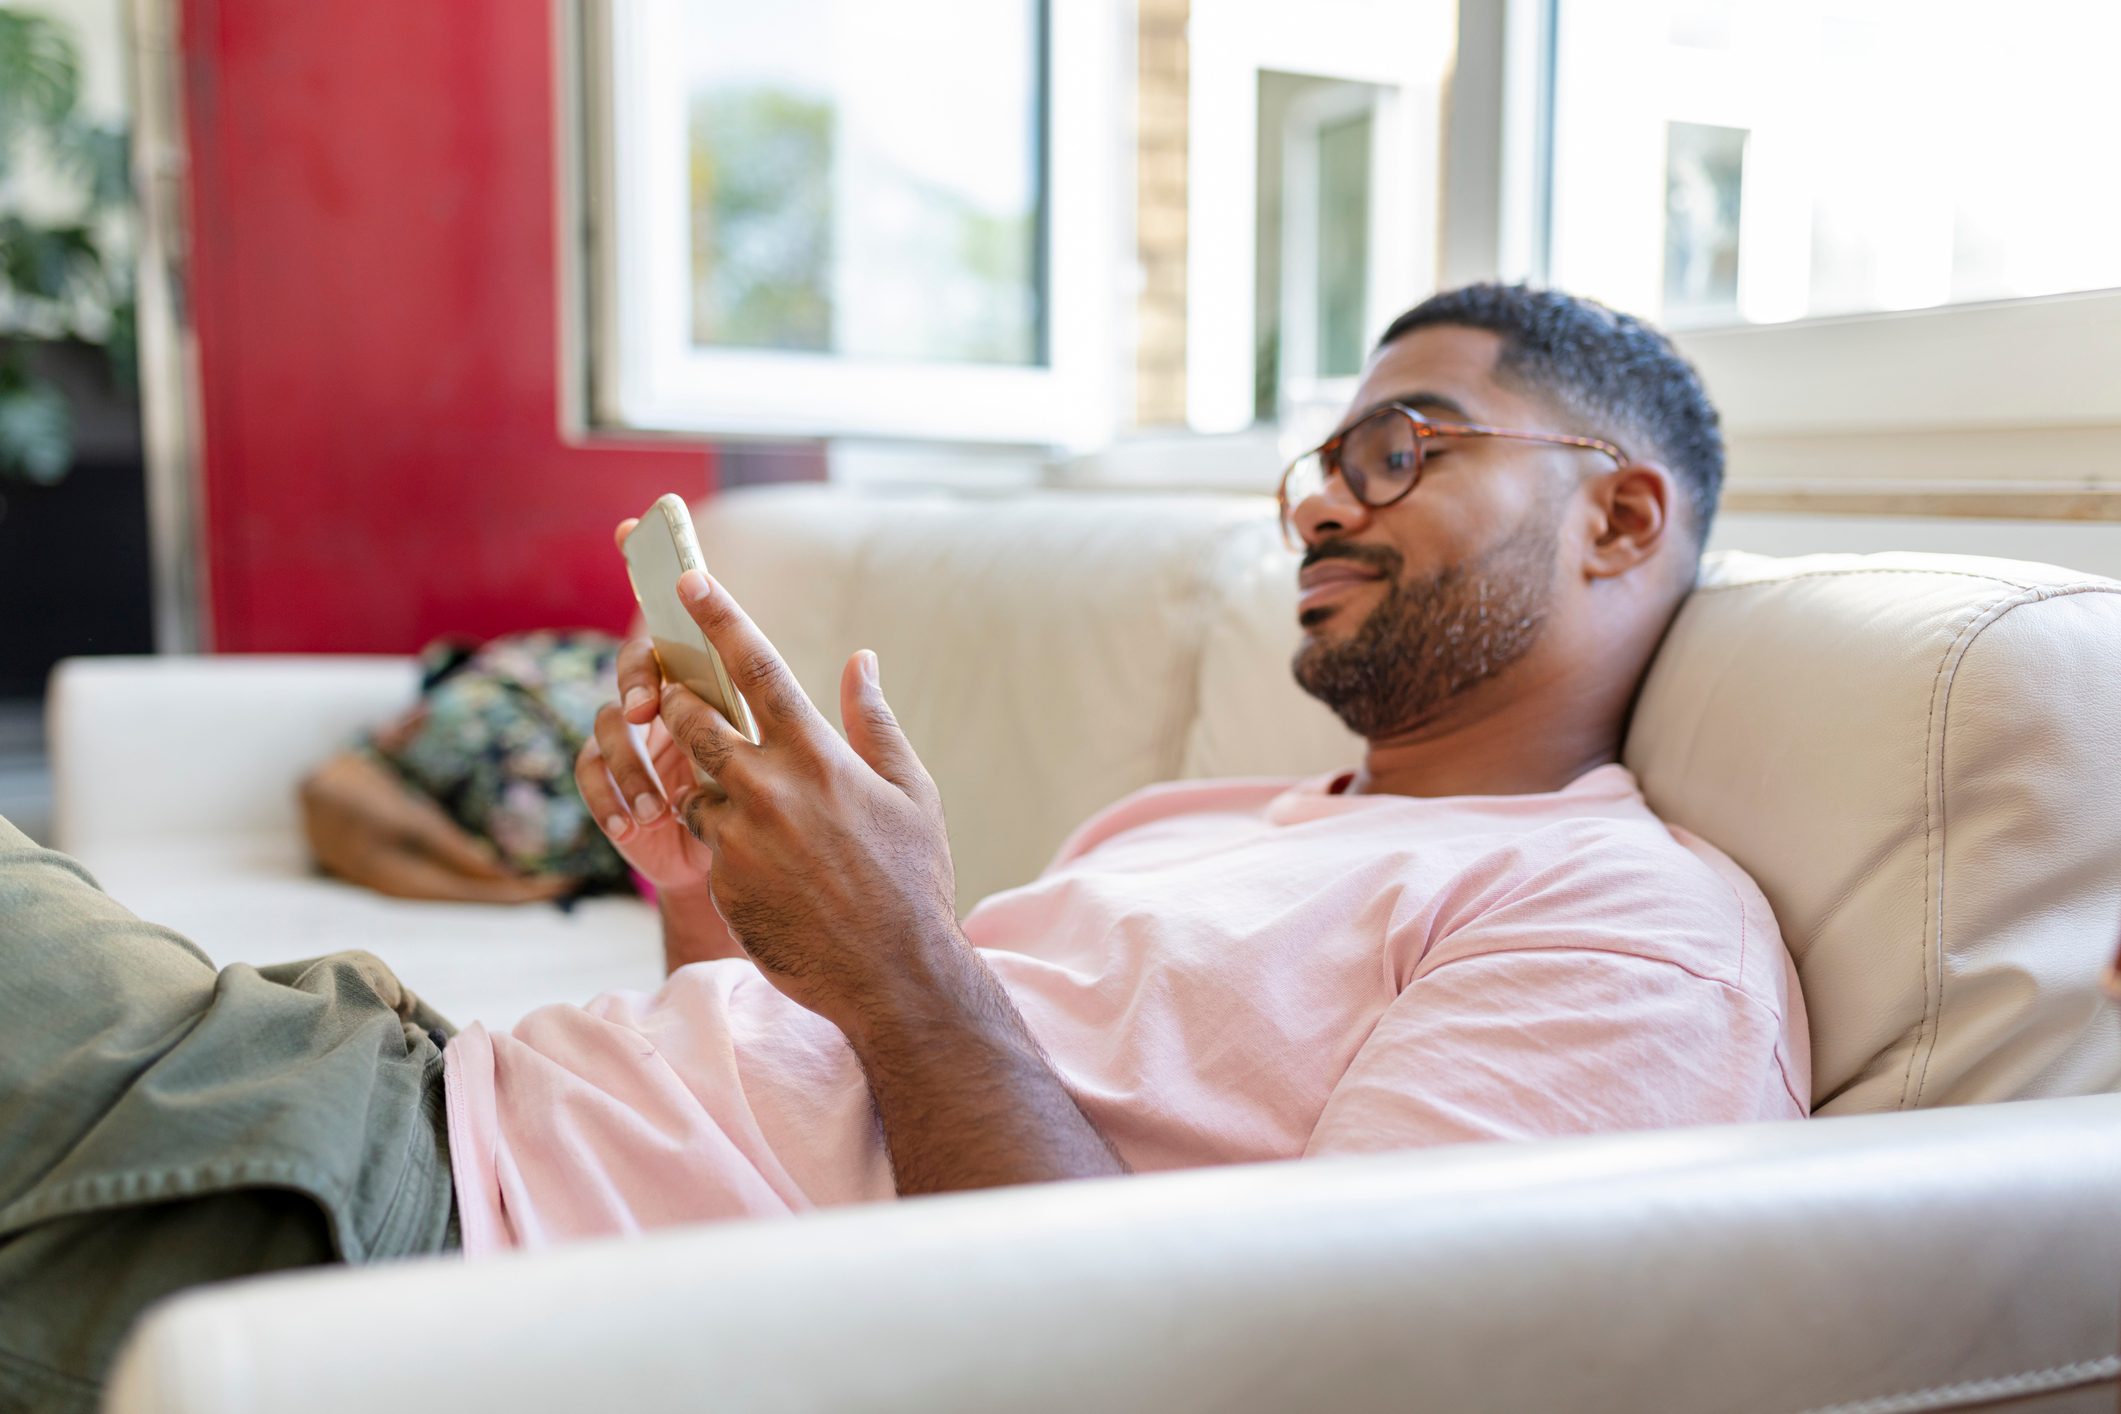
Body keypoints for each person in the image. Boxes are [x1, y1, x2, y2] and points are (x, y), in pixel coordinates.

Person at [0, 284, 1807, 1408]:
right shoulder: (1212, 822)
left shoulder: (1623, 925)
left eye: (1400, 447)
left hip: (413, 1235)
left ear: (1619, 511)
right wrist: (716, 907)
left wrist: (898, 952)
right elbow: (825, 1132)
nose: (1325, 500)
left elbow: (1283, 1373)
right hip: (415, 1104)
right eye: (1315, 465)